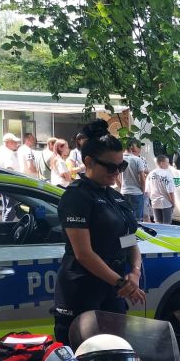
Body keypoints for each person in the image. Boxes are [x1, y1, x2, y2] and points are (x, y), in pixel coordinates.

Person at [52, 122, 144, 345]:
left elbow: (128, 240)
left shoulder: (115, 197)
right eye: (110, 167)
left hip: (113, 287)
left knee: (115, 351)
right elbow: (83, 254)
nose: (116, 173)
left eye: (121, 167)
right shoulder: (76, 197)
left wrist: (134, 273)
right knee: (82, 356)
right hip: (83, 290)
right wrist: (121, 283)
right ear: (88, 162)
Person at [120, 139, 148, 222]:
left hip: (124, 192)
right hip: (136, 193)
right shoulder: (137, 159)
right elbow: (142, 178)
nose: (139, 148)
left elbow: (116, 176)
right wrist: (143, 191)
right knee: (137, 221)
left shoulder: (120, 159)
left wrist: (121, 187)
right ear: (132, 147)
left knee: (125, 219)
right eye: (137, 146)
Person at [145, 152, 177, 224]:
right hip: (166, 203)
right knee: (167, 224)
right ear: (162, 163)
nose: (168, 164)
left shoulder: (151, 174)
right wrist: (173, 203)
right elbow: (170, 191)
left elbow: (147, 191)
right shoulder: (167, 175)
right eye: (167, 162)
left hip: (155, 203)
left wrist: (151, 200)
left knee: (158, 224)